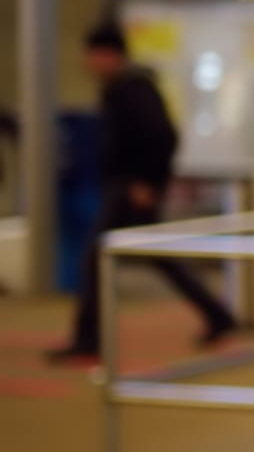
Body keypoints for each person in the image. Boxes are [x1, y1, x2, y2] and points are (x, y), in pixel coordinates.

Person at [47, 22, 238, 362]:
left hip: (129, 189)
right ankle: (217, 315)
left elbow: (162, 136)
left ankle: (89, 339)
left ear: (108, 54)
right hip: (129, 186)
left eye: (92, 55)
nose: (88, 62)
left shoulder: (130, 89)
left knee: (97, 259)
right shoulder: (128, 87)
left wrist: (148, 183)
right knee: (153, 258)